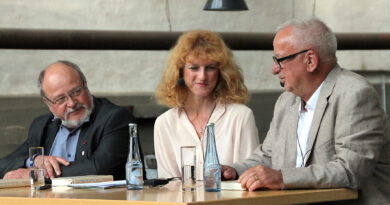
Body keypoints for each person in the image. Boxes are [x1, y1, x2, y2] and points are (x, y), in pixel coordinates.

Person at [222, 18, 390, 204]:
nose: (274, 69)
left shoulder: (355, 94)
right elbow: (268, 156)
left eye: (280, 60)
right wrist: (233, 171)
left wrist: (282, 177)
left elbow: (350, 170)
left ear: (310, 60)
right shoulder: (287, 101)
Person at [0, 60, 136, 180]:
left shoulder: (115, 118)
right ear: (47, 103)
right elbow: (3, 165)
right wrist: (34, 161)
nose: (71, 103)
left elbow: (99, 169)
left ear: (85, 85)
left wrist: (37, 175)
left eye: (76, 91)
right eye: (60, 99)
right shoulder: (41, 126)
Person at [154, 30, 260, 180]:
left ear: (221, 72)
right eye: (194, 68)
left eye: (210, 67)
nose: (202, 76)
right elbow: (168, 185)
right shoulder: (165, 123)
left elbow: (251, 175)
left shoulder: (240, 116)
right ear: (180, 72)